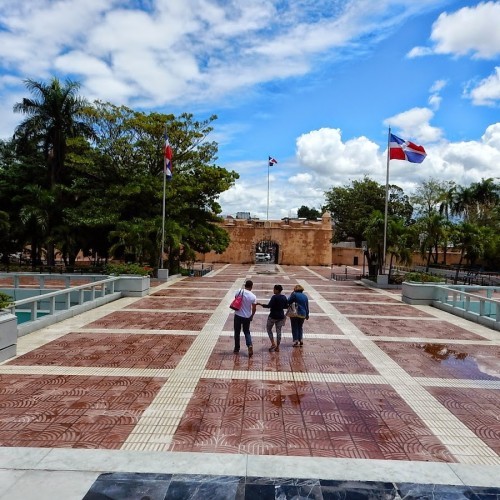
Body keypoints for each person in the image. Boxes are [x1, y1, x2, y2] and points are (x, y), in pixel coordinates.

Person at [257, 284, 288, 352]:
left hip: (273, 316)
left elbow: (269, 306)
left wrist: (261, 304)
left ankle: (273, 343)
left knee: (269, 329)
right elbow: (286, 306)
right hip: (280, 316)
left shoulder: (274, 297)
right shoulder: (284, 297)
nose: (273, 290)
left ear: (277, 290)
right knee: (278, 331)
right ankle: (278, 347)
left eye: (274, 289)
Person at [233, 279, 257, 357]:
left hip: (238, 315)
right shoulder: (253, 296)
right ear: (251, 287)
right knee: (246, 331)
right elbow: (254, 308)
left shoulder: (239, 291)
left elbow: (236, 299)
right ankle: (249, 345)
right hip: (247, 316)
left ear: (245, 285)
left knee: (237, 332)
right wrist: (252, 316)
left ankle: (237, 348)